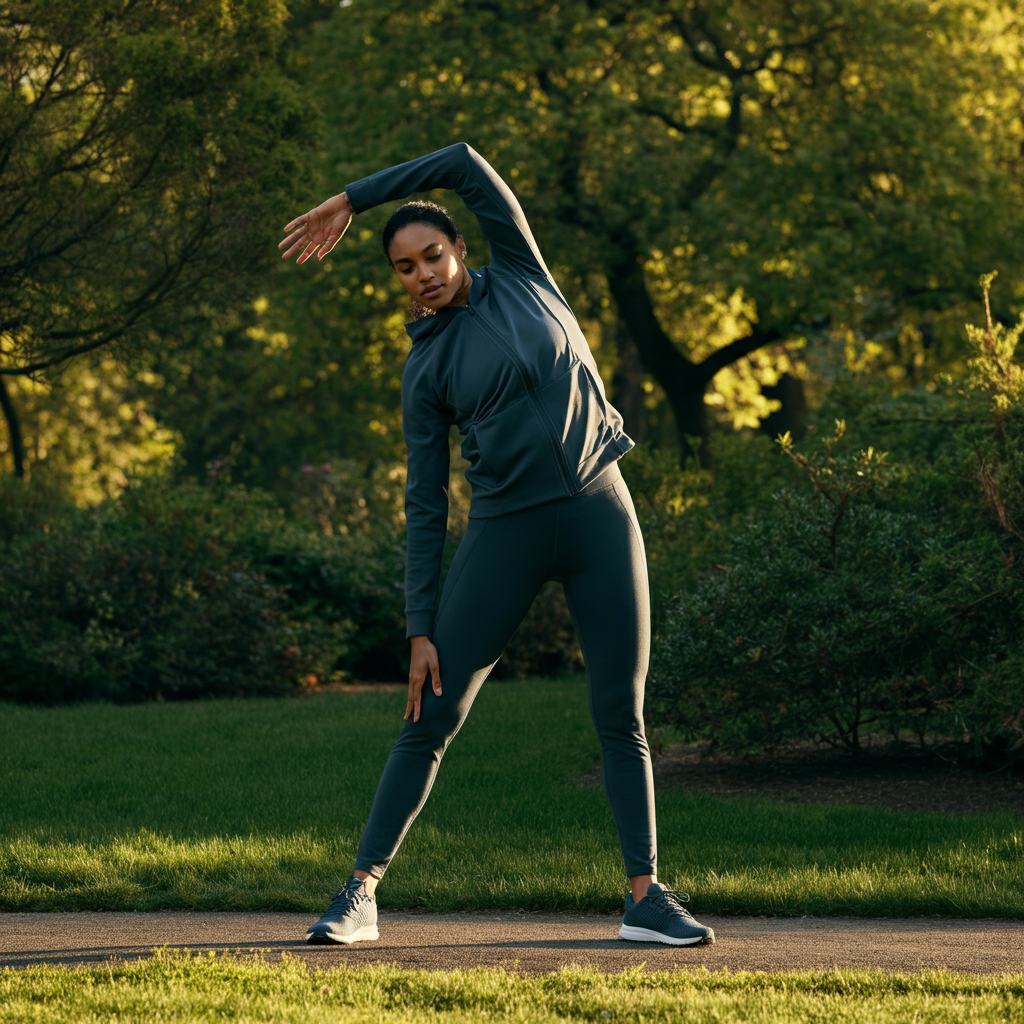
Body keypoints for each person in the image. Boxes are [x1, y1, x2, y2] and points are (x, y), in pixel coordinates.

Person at [279, 143, 714, 948]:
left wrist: (354, 198)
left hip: (598, 513)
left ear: (462, 248)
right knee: (430, 716)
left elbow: (465, 163)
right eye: (404, 269)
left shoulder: (525, 274)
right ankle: (361, 892)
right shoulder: (427, 367)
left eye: (432, 256)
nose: (422, 276)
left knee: (623, 714)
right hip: (505, 534)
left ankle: (645, 898)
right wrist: (418, 627)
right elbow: (422, 504)